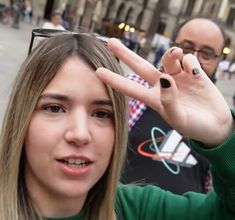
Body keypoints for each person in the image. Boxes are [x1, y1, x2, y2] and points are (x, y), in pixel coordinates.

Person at [0, 31, 234, 220]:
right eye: (54, 108)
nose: (80, 134)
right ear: (22, 117)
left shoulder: (139, 210)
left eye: (101, 113)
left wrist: (224, 134)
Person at [122, 16, 226, 194]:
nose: (193, 59)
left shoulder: (223, 122)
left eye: (207, 53)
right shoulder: (131, 90)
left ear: (218, 61)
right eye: (185, 48)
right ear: (172, 46)